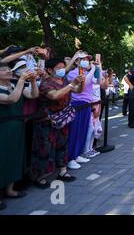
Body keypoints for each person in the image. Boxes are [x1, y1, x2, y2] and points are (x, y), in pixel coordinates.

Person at [0, 63, 39, 211]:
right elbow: (11, 100)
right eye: (3, 69)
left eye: (9, 68)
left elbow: (34, 95)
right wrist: (21, 80)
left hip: (17, 127)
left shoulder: (15, 85)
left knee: (14, 158)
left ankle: (10, 189)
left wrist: (33, 81)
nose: (8, 70)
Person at [32, 59, 84, 189]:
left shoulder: (65, 81)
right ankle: (39, 177)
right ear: (50, 70)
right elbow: (55, 95)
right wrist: (72, 84)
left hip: (63, 119)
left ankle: (63, 171)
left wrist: (81, 82)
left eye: (63, 67)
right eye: (59, 67)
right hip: (46, 120)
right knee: (44, 148)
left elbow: (77, 90)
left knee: (62, 145)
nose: (62, 69)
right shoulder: (45, 84)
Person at [65, 52, 96, 170]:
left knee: (83, 130)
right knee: (75, 131)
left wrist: (97, 67)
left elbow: (97, 81)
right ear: (77, 62)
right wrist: (93, 68)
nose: (86, 61)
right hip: (76, 104)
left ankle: (77, 154)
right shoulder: (72, 74)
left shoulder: (88, 72)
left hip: (87, 104)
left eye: (87, 60)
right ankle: (70, 158)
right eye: (83, 59)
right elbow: (85, 82)